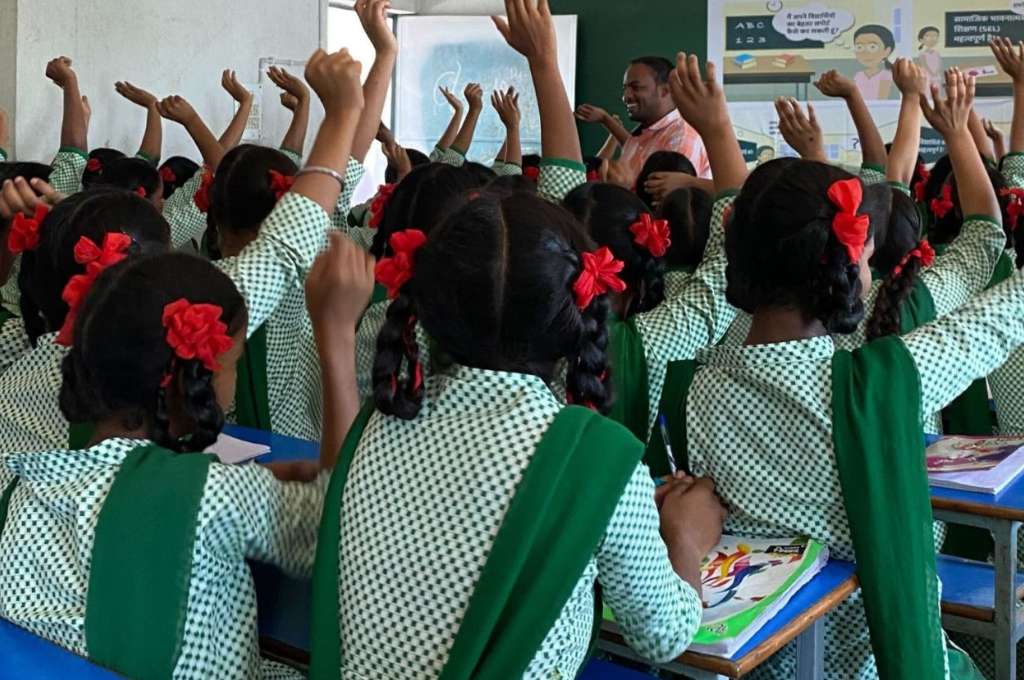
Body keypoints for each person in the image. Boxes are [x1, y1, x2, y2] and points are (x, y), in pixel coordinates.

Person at [306, 5, 725, 678]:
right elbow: (665, 634)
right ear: (576, 306)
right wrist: (684, 540)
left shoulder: (370, 431)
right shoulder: (595, 458)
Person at [684, 63, 993, 679]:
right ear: (848, 264)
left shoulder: (705, 381)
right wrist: (956, 133)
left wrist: (722, 132)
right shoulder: (885, 380)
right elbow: (988, 260)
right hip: (869, 662)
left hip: (760, 659)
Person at [0, 232, 371, 678]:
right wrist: (337, 334)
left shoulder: (19, 491)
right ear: (190, 383)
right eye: (232, 363)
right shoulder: (213, 497)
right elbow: (342, 532)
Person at [576, 56, 710, 184]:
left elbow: (663, 200)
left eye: (636, 87)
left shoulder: (682, 137)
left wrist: (621, 188)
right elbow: (632, 145)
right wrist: (606, 120)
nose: (625, 97)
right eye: (625, 88)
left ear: (665, 91)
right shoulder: (648, 131)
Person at [853, 25, 896, 101]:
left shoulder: (886, 75)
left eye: (872, 47)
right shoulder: (858, 75)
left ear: (887, 51)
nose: (865, 52)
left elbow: (882, 99)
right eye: (859, 47)